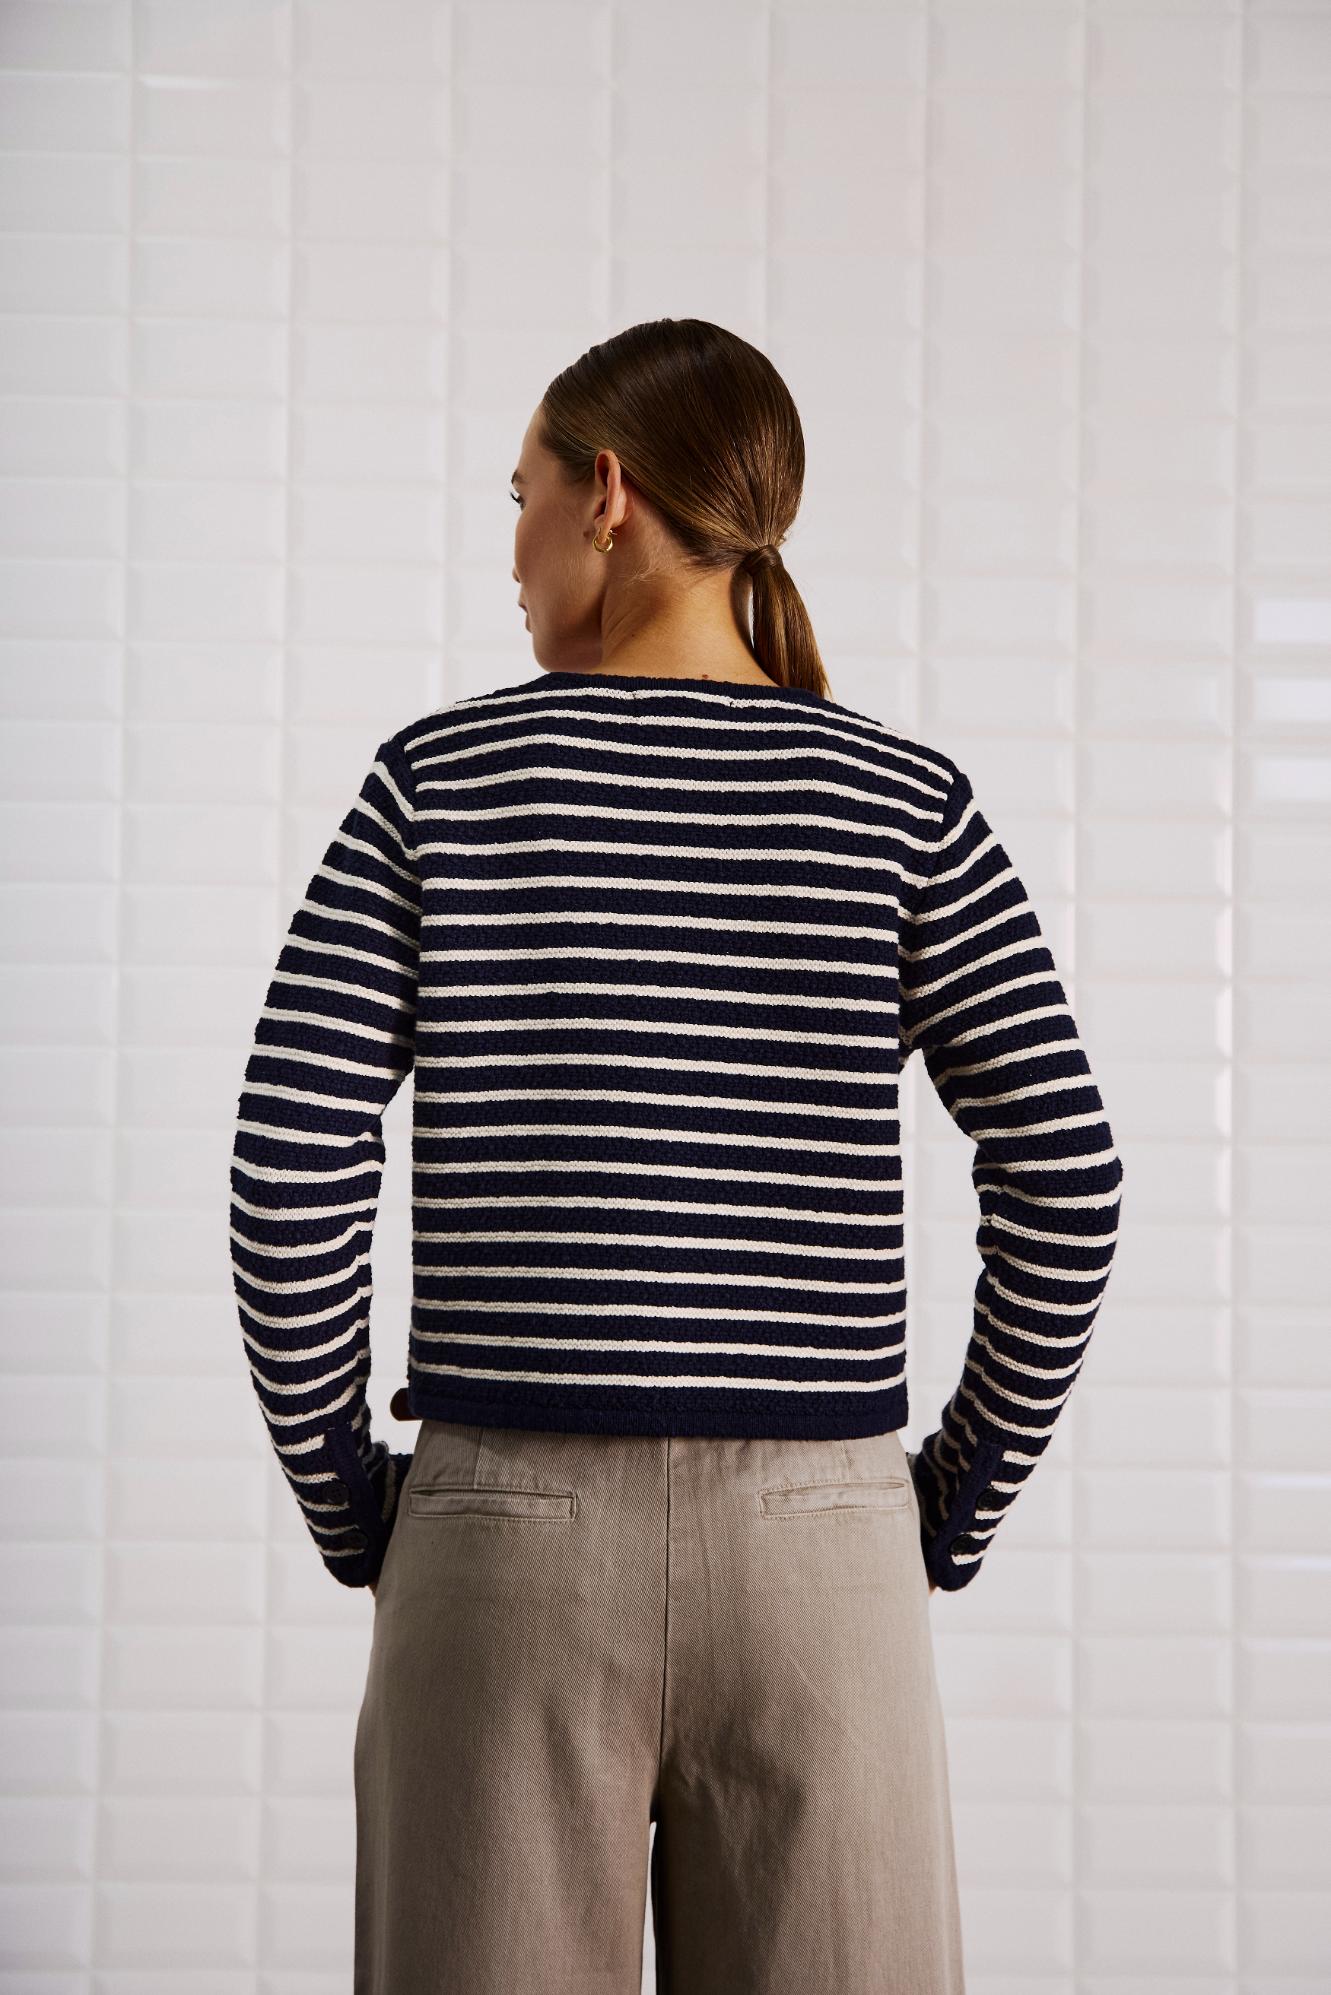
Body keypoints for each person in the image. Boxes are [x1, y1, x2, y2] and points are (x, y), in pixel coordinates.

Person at [228, 318, 1124, 1994]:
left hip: (504, 1542)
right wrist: (939, 1506)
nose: (510, 549)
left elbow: (288, 1158)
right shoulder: (904, 802)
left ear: (608, 496)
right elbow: (1067, 1174)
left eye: (519, 498)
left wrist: (356, 1503)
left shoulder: (442, 784)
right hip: (824, 1553)